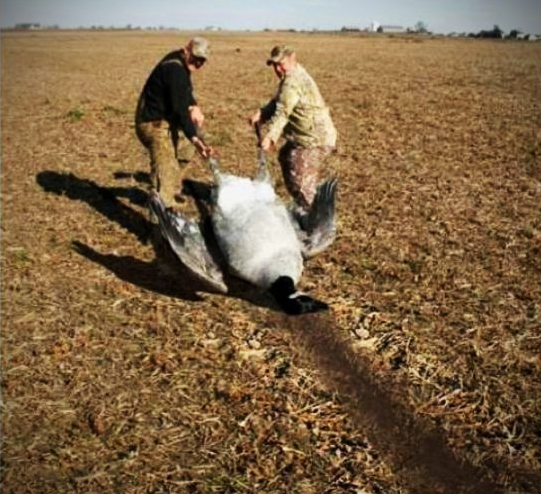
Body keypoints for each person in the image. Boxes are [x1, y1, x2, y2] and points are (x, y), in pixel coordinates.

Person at [249, 45, 337, 210]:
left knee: (302, 181)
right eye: (274, 65)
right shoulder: (291, 76)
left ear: (292, 59)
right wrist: (262, 114)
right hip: (302, 137)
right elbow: (278, 103)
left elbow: (283, 112)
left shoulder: (292, 81)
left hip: (315, 139)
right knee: (286, 156)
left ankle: (314, 215)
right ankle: (302, 206)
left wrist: (270, 137)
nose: (277, 69)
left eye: (280, 64)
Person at [135, 37, 212, 209]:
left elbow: (184, 92)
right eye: (196, 58)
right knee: (166, 167)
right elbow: (180, 110)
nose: (198, 63)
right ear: (186, 50)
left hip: (166, 119)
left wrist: (194, 106)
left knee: (185, 150)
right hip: (152, 123)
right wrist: (195, 137)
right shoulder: (174, 68)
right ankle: (159, 219)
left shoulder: (181, 64)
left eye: (202, 60)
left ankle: (170, 193)